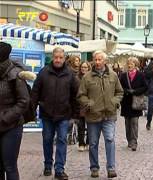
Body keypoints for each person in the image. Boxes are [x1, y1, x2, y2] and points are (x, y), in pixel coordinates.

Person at [31, 47, 79, 180]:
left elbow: (76, 95)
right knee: (47, 140)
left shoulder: (70, 74)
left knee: (62, 140)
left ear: (64, 58)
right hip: (47, 114)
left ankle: (59, 169)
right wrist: (32, 111)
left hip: (64, 114)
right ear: (53, 57)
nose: (58, 60)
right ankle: (47, 165)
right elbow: (35, 92)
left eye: (60, 57)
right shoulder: (44, 72)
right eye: (56, 57)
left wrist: (75, 115)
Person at [77, 50, 123, 178]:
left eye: (100, 60)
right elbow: (81, 95)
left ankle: (111, 168)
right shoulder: (87, 77)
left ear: (105, 61)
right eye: (95, 60)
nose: (97, 62)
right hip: (93, 115)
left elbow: (120, 92)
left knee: (110, 140)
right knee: (93, 143)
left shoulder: (113, 75)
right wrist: (89, 103)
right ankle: (94, 167)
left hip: (109, 114)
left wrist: (114, 101)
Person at [0, 42, 30, 180]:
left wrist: (5, 117)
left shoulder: (15, 75)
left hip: (11, 126)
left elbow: (24, 101)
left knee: (9, 166)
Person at [119, 57, 148, 151]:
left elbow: (145, 87)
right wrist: (127, 91)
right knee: (127, 123)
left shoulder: (141, 75)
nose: (129, 65)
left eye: (131, 64)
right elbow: (119, 87)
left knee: (134, 122)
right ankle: (129, 140)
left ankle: (134, 141)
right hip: (126, 102)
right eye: (128, 64)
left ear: (135, 65)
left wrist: (135, 91)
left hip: (136, 102)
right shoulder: (123, 75)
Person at [77, 61, 92, 151]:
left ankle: (88, 142)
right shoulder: (77, 78)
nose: (83, 69)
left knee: (90, 125)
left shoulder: (92, 78)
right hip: (80, 105)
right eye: (82, 67)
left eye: (85, 67)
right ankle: (81, 143)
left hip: (90, 104)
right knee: (81, 125)